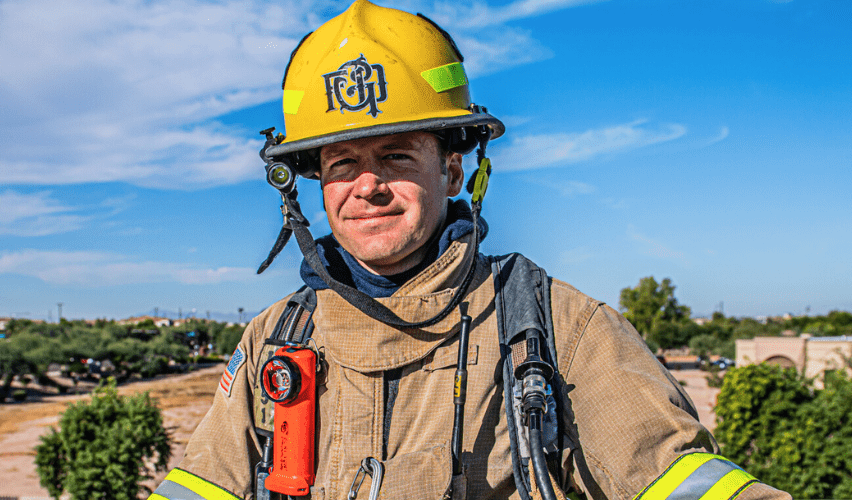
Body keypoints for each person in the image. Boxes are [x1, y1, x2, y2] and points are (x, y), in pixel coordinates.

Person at [149, 2, 790, 500]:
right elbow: (205, 480)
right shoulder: (276, 339)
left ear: (453, 172)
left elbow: (674, 478)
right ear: (315, 186)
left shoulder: (559, 330)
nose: (367, 187)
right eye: (343, 164)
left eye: (396, 156)